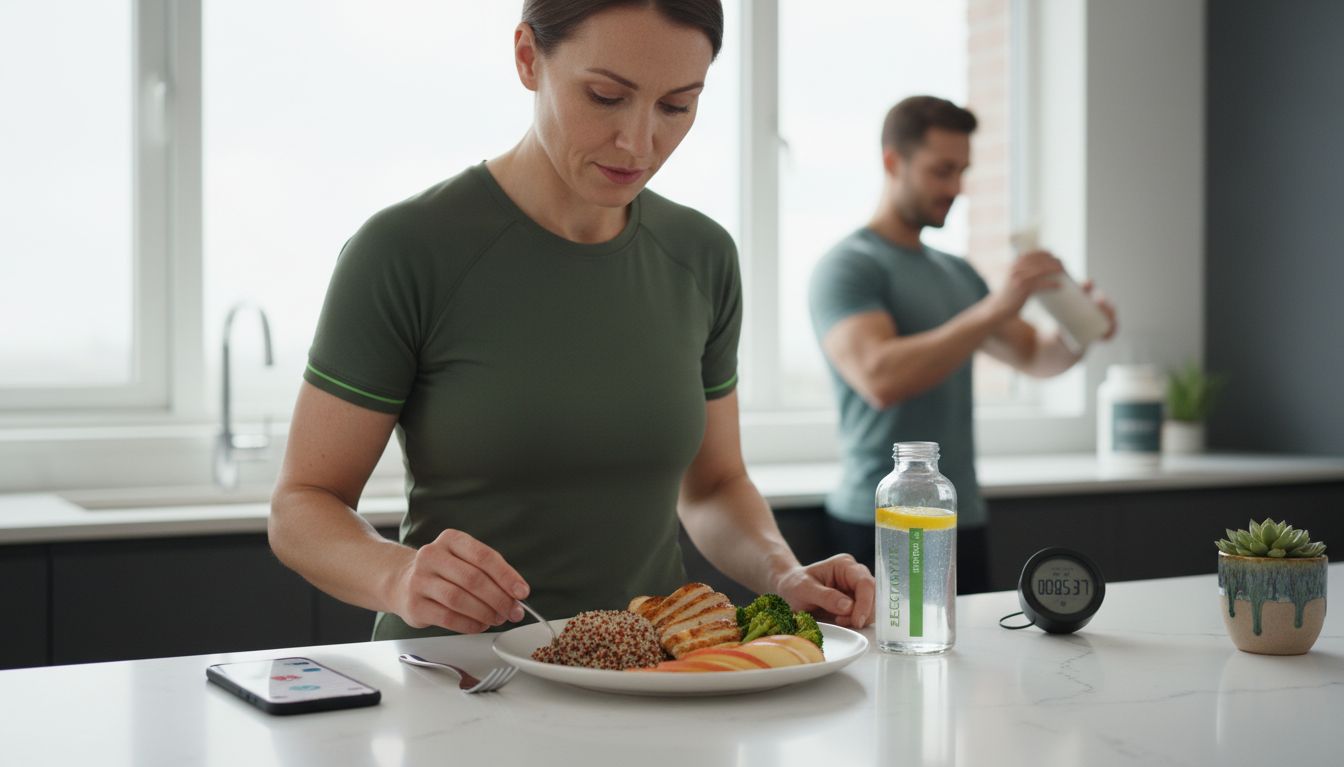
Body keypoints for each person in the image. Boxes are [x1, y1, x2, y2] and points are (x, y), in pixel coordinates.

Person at [269, 0, 875, 640]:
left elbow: (716, 485)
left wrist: (783, 574)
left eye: (677, 105)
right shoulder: (406, 251)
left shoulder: (702, 256)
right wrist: (396, 576)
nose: (640, 142)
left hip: (654, 676)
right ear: (528, 57)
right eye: (606, 96)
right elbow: (302, 505)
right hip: (464, 685)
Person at [808, 96, 1116, 593]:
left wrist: (1080, 330)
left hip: (959, 515)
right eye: (942, 170)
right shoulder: (848, 266)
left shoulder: (956, 273)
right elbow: (879, 377)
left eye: (962, 171)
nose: (956, 188)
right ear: (893, 161)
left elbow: (1035, 356)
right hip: (877, 519)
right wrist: (996, 306)